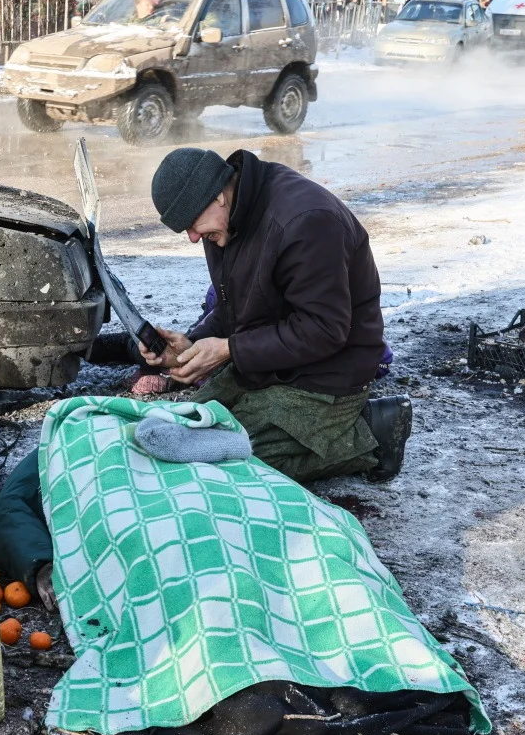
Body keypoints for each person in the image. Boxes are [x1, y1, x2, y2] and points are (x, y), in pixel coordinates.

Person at [139, 147, 413, 484]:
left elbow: (325, 329)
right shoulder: (223, 221)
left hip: (328, 372)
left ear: (218, 196)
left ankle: (371, 431)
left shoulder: (305, 221)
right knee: (177, 434)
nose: (193, 237)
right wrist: (191, 342)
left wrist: (228, 350)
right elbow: (235, 306)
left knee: (227, 464)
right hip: (267, 360)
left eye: (192, 223)